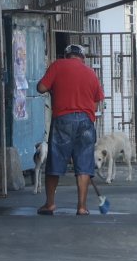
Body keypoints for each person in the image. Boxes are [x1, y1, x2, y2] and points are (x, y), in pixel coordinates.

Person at [36, 44, 104, 216]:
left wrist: (54, 87)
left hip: (63, 120)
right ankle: (82, 207)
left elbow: (41, 88)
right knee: (84, 164)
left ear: (67, 55)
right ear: (82, 58)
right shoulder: (90, 73)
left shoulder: (58, 65)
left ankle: (50, 204)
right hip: (86, 121)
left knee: (56, 161)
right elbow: (96, 101)